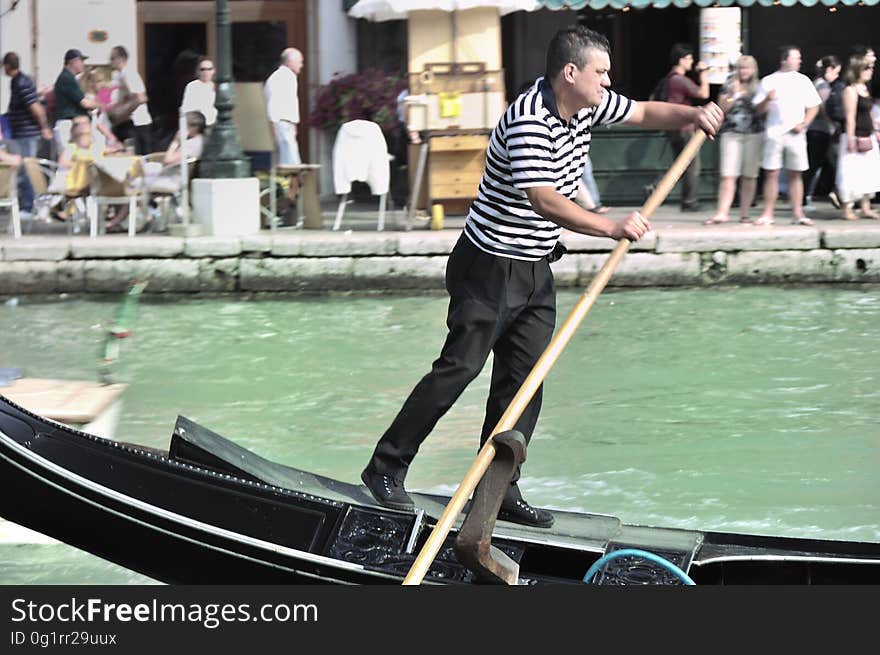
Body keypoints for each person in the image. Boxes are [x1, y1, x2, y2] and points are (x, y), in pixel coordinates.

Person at [360, 26, 723, 528]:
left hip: (534, 266)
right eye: (602, 72)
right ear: (571, 73)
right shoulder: (530, 119)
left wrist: (693, 115)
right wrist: (608, 226)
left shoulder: (590, 103)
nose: (608, 81)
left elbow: (642, 110)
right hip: (489, 265)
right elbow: (544, 199)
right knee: (460, 368)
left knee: (524, 384)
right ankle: (385, 468)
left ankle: (499, 490)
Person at [753, 45, 821, 227]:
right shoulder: (768, 81)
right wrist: (768, 98)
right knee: (771, 173)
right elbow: (758, 110)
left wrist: (805, 123)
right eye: (795, 57)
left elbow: (814, 105)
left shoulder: (803, 80)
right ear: (784, 59)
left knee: (796, 173)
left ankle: (798, 212)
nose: (799, 61)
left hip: (796, 133)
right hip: (774, 132)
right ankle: (768, 213)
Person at [705, 55, 766, 225]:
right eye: (741, 68)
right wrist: (732, 95)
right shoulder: (729, 84)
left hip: (754, 133)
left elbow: (763, 111)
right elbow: (721, 108)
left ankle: (744, 214)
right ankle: (722, 212)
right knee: (728, 174)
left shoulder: (760, 86)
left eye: (747, 68)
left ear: (753, 70)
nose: (744, 71)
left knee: (749, 175)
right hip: (732, 132)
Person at [2, 51, 53, 214]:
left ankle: (27, 206)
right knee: (22, 168)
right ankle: (27, 205)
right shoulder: (19, 81)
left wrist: (44, 127)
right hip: (20, 133)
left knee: (26, 169)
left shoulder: (21, 82)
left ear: (8, 66)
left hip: (27, 134)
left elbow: (35, 108)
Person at [663, 43, 710, 212]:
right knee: (691, 166)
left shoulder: (671, 78)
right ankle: (690, 201)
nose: (691, 62)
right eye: (689, 58)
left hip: (675, 128)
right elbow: (703, 94)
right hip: (684, 129)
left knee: (680, 165)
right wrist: (704, 75)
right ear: (681, 60)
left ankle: (661, 190)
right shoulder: (679, 79)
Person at [836, 55, 880, 220]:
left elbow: (868, 111)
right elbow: (850, 117)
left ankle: (865, 207)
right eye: (867, 68)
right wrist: (851, 138)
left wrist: (875, 129)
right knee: (849, 172)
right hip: (855, 135)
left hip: (868, 135)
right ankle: (847, 208)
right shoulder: (850, 90)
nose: (870, 71)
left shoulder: (864, 88)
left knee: (869, 172)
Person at [264, 47, 304, 218]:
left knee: (292, 170)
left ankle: (289, 204)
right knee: (292, 170)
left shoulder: (282, 77)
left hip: (284, 126)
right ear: (289, 61)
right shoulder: (284, 78)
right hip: (282, 126)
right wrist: (277, 130)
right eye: (299, 61)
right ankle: (287, 205)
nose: (302, 65)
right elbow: (274, 107)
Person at [803, 55, 842, 213]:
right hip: (819, 130)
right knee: (815, 166)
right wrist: (832, 124)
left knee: (816, 165)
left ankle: (807, 196)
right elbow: (821, 108)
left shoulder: (815, 83)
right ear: (829, 69)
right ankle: (805, 197)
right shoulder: (823, 85)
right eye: (836, 71)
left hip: (815, 130)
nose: (837, 76)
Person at [108, 45, 153, 155]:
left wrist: (122, 113)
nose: (110, 62)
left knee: (140, 156)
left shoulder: (129, 74)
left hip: (138, 123)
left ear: (121, 58)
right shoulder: (120, 75)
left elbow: (141, 97)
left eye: (112, 58)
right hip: (130, 123)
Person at [52, 49, 97, 155]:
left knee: (76, 160)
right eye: (81, 61)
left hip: (73, 125)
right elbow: (85, 103)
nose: (83, 64)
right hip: (67, 125)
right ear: (74, 61)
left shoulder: (68, 78)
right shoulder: (66, 78)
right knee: (69, 161)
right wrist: (101, 105)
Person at [180, 56, 216, 127]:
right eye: (203, 69)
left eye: (209, 69)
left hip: (215, 126)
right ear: (198, 71)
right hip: (198, 126)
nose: (206, 72)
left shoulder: (217, 86)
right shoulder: (192, 86)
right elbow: (186, 109)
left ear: (213, 71)